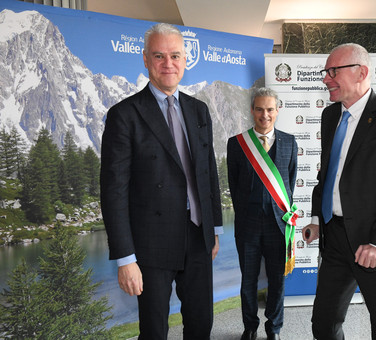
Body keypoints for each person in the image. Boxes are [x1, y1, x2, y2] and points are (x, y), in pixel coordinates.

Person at [100, 23, 223, 340]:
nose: (168, 64)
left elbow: (207, 172)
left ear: (185, 60)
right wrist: (126, 259)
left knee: (201, 325)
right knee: (154, 331)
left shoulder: (199, 110)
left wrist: (214, 230)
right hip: (149, 244)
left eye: (175, 56)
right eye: (159, 56)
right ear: (145, 59)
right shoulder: (124, 114)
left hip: (197, 237)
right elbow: (113, 191)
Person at [302, 43, 376, 340]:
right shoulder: (330, 117)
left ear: (361, 72)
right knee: (323, 325)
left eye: (333, 71)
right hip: (336, 240)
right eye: (325, 72)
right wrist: (318, 219)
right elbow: (328, 174)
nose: (326, 78)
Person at [227, 87, 298, 340]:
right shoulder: (236, 144)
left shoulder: (290, 142)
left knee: (277, 281)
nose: (264, 114)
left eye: (270, 109)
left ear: (277, 111)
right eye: (259, 109)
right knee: (248, 281)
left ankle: (274, 328)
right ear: (252, 111)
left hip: (279, 226)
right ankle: (250, 327)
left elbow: (289, 181)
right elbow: (234, 186)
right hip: (248, 226)